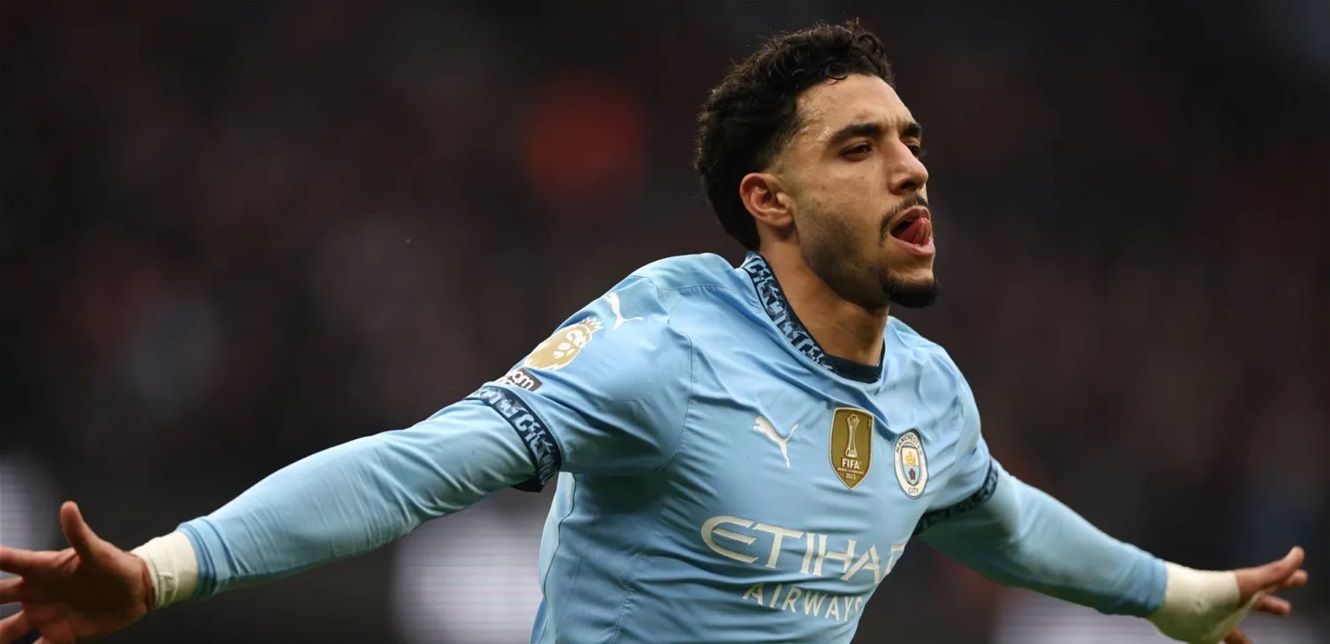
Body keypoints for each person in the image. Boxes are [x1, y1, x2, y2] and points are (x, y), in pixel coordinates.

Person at [0, 22, 1308, 644]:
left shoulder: (928, 392)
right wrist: (166, 569)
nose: (911, 169)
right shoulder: (662, 345)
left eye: (911, 142)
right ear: (770, 202)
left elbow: (1006, 524)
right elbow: (414, 467)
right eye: (859, 147)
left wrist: (1176, 594)